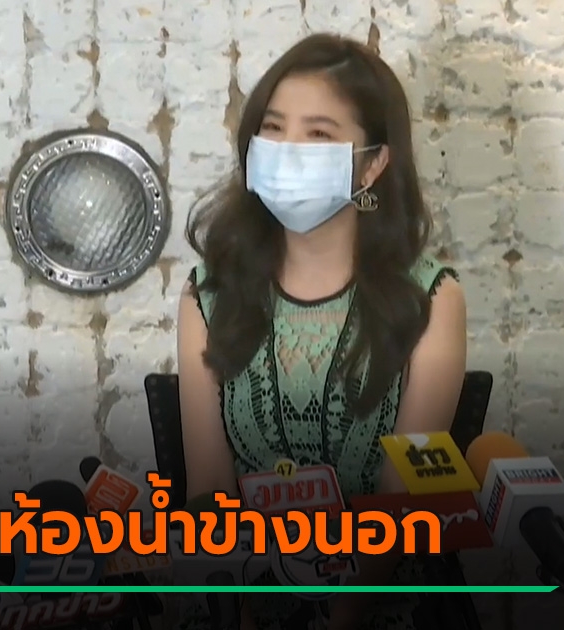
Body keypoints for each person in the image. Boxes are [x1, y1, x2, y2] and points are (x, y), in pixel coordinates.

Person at [177, 34, 467, 630]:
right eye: (273, 128)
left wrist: (345, 618)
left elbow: (403, 502)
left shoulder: (432, 300)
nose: (287, 150)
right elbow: (207, 489)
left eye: (318, 134)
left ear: (373, 163)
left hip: (383, 605)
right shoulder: (207, 295)